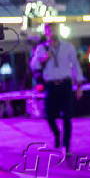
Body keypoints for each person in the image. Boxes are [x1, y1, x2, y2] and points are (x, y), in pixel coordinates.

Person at [30, 23, 85, 155]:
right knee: (49, 115)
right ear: (46, 32)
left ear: (58, 31)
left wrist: (79, 86)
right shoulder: (41, 48)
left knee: (67, 117)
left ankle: (66, 146)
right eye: (49, 30)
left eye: (54, 29)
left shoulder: (68, 47)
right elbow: (34, 65)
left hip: (65, 84)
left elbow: (75, 65)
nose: (52, 32)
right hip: (50, 86)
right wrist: (44, 58)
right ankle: (56, 133)